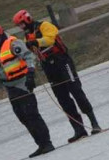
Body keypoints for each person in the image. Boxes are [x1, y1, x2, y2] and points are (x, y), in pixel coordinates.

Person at [13, 9, 102, 143]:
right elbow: (31, 52)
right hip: (49, 67)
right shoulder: (27, 36)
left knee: (76, 91)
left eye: (21, 24)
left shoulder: (44, 26)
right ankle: (79, 129)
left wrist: (36, 42)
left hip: (62, 62)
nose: (21, 27)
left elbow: (50, 39)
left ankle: (94, 122)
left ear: (27, 20)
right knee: (63, 99)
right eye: (18, 25)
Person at [0, 23, 55, 157]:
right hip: (10, 87)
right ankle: (40, 144)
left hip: (22, 84)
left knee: (32, 114)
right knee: (22, 117)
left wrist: (30, 74)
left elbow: (29, 56)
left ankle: (47, 143)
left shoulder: (13, 43)